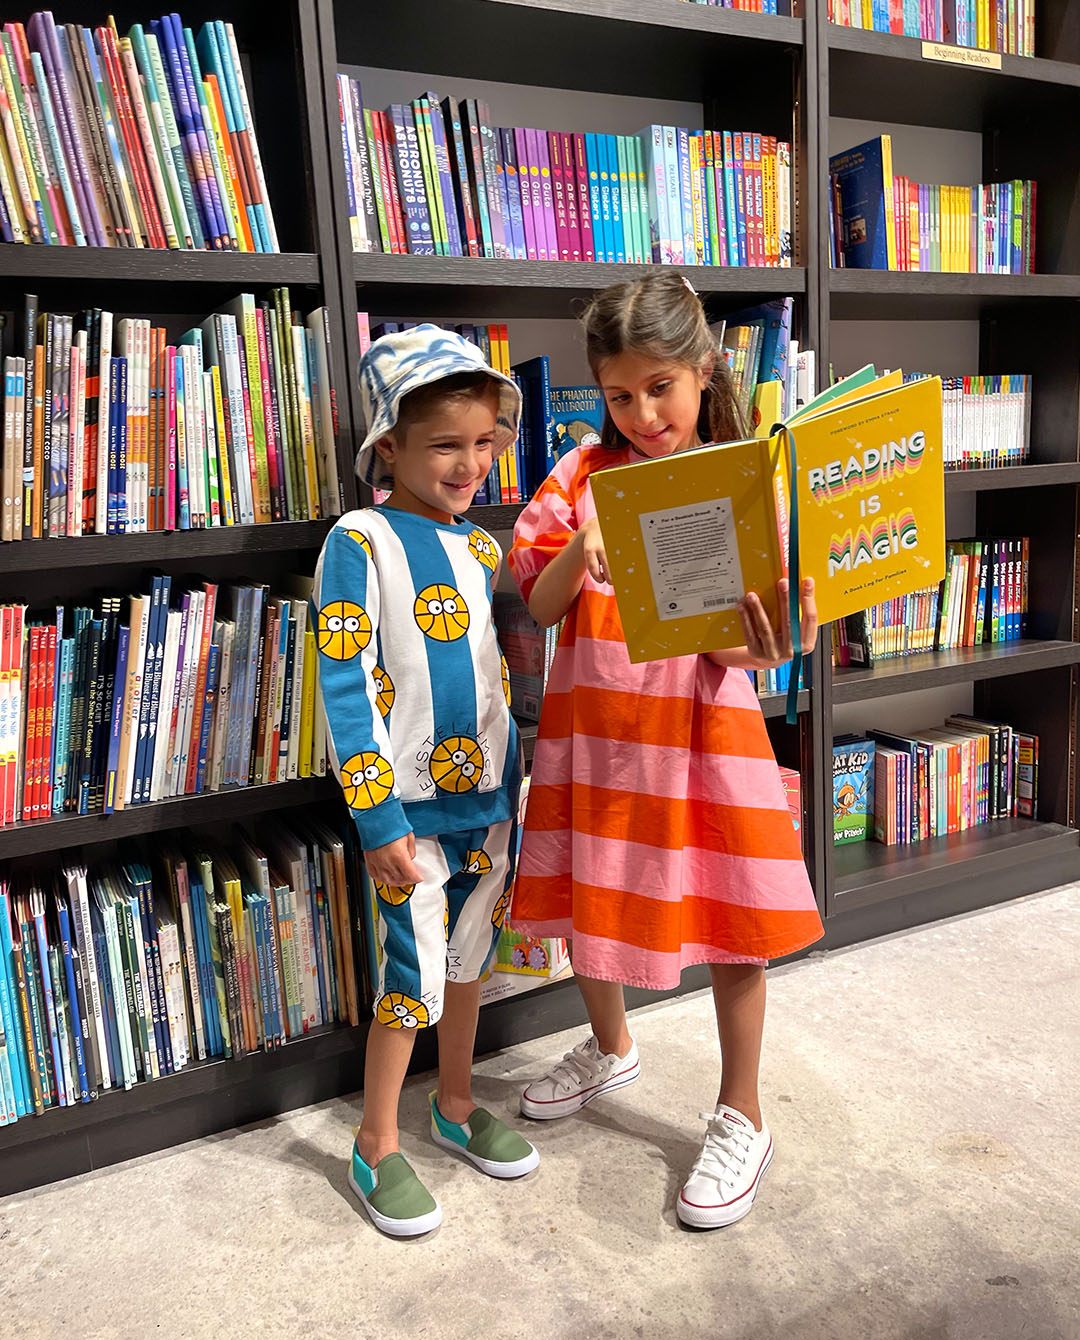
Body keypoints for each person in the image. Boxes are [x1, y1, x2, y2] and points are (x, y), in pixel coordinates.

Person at [506, 271, 824, 1229]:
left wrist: (781, 640)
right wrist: (584, 542)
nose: (642, 413)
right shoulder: (576, 474)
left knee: (736, 921)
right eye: (618, 394)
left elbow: (738, 644)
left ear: (701, 372)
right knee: (589, 896)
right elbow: (538, 599)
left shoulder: (739, 477)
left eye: (661, 388)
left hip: (700, 735)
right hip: (597, 738)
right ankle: (610, 1045)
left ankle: (743, 1111)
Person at [314, 325, 537, 1238]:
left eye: (485, 443)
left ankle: (452, 1100)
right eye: (447, 443)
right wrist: (375, 820)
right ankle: (375, 1141)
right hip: (405, 808)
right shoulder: (359, 541)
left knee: (470, 962)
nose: (470, 463)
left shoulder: (482, 550)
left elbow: (501, 678)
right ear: (390, 447)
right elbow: (343, 685)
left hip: (488, 802)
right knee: (411, 975)